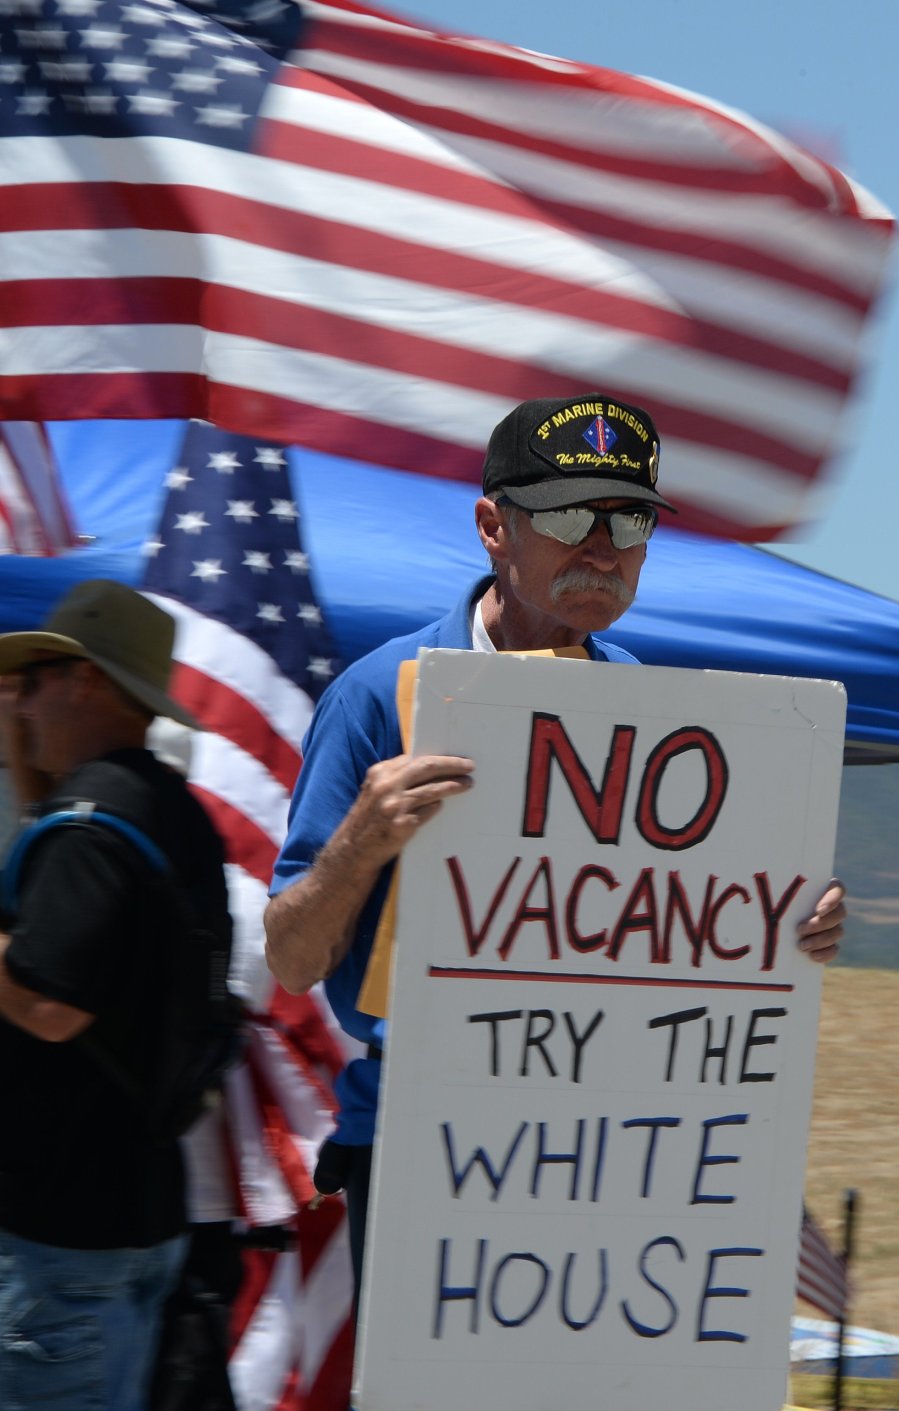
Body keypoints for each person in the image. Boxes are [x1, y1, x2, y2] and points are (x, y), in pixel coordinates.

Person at [263, 393, 846, 1297]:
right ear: (495, 526)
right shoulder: (382, 694)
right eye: (571, 513)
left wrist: (788, 928)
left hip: (613, 1149)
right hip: (428, 1141)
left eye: (630, 518)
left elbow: (678, 939)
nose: (603, 545)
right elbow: (293, 958)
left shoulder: (663, 715)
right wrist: (358, 844)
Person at [0, 579, 232, 1411]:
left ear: (86, 680)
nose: (20, 706)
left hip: (60, 1228)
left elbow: (50, 1003)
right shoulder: (176, 813)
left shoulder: (86, 828)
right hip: (141, 1209)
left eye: (33, 682)